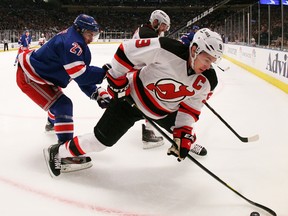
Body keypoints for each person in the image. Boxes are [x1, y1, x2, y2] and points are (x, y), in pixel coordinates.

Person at [44, 28, 224, 177]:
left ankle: (188, 144)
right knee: (99, 142)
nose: (209, 65)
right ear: (194, 50)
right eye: (207, 59)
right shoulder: (166, 48)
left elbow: (190, 108)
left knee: (186, 136)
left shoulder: (208, 80)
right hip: (129, 99)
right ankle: (58, 152)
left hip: (164, 111)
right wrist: (116, 79)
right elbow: (127, 51)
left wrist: (183, 132)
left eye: (213, 61)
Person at [17, 14, 111, 171]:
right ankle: (64, 153)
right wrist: (104, 74)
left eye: (94, 34)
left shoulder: (76, 41)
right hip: (31, 76)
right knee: (62, 105)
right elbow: (80, 74)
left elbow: (79, 76)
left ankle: (51, 123)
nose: (92, 38)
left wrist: (96, 92)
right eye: (90, 34)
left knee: (59, 103)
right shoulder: (71, 43)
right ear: (80, 30)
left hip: (43, 75)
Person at [132, 9, 171, 149]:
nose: (164, 29)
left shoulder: (145, 31)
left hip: (136, 73)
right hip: (136, 75)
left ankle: (149, 130)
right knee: (156, 100)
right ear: (155, 22)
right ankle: (148, 132)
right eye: (163, 26)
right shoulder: (146, 33)